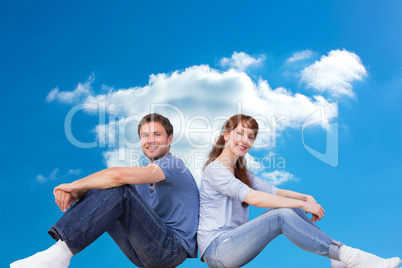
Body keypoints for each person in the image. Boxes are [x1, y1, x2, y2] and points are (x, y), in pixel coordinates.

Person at [197, 114, 401, 268]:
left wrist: (305, 197)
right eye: (239, 133)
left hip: (235, 242)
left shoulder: (241, 172)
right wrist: (302, 204)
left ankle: (337, 258)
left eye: (250, 137)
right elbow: (255, 198)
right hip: (218, 249)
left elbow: (273, 191)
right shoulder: (215, 169)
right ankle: (350, 257)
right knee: (281, 214)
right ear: (226, 135)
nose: (244, 140)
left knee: (288, 210)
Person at [11, 113, 200, 268]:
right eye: (145, 136)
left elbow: (116, 177)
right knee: (105, 186)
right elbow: (104, 193)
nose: (150, 140)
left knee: (117, 187)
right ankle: (58, 252)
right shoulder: (142, 176)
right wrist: (77, 192)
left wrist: (72, 185)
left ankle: (59, 256)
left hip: (170, 250)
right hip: (141, 252)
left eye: (157, 135)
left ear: (170, 138)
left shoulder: (174, 165)